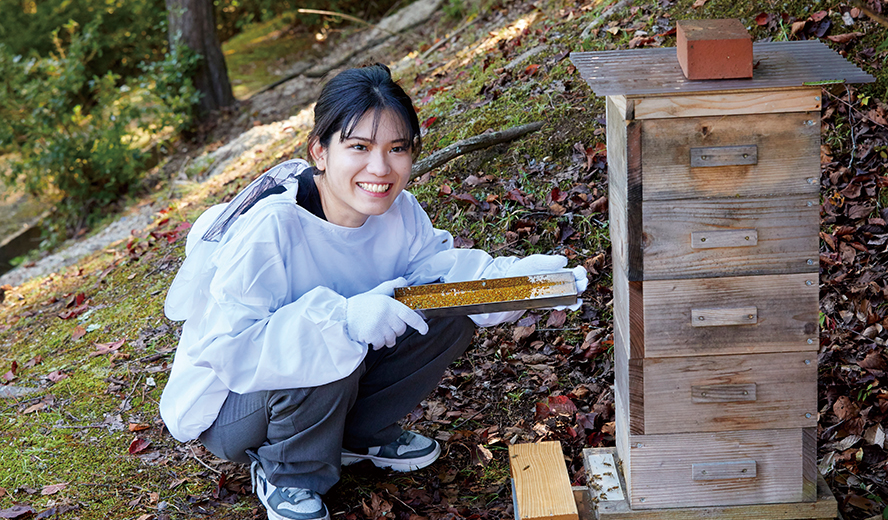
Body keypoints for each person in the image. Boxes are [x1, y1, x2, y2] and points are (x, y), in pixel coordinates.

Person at [159, 63, 587, 520]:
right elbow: (232, 349)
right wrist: (341, 320)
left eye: (397, 148)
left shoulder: (397, 210)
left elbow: (439, 272)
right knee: (330, 346)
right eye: (359, 147)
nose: (380, 168)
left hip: (322, 387)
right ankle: (288, 472)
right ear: (320, 152)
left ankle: (358, 436)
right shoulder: (271, 225)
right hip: (233, 409)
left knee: (451, 308)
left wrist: (515, 281)